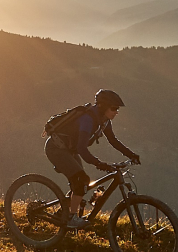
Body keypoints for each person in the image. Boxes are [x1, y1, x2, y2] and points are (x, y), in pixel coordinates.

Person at [45, 89, 140, 228]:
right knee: (82, 180)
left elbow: (113, 140)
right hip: (56, 149)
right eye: (113, 108)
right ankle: (71, 218)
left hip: (68, 150)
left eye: (117, 109)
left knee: (80, 183)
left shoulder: (104, 121)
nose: (116, 112)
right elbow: (81, 149)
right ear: (102, 106)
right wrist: (99, 163)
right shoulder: (88, 120)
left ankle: (62, 213)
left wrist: (131, 155)